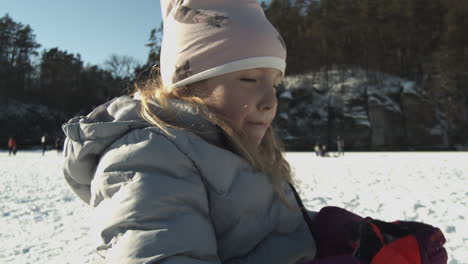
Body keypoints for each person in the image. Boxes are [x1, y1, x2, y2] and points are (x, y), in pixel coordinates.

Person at [62, 1, 447, 263]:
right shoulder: (147, 159)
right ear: (189, 87)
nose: (269, 101)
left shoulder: (230, 147)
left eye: (275, 83)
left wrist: (341, 235)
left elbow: (255, 231)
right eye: (248, 79)